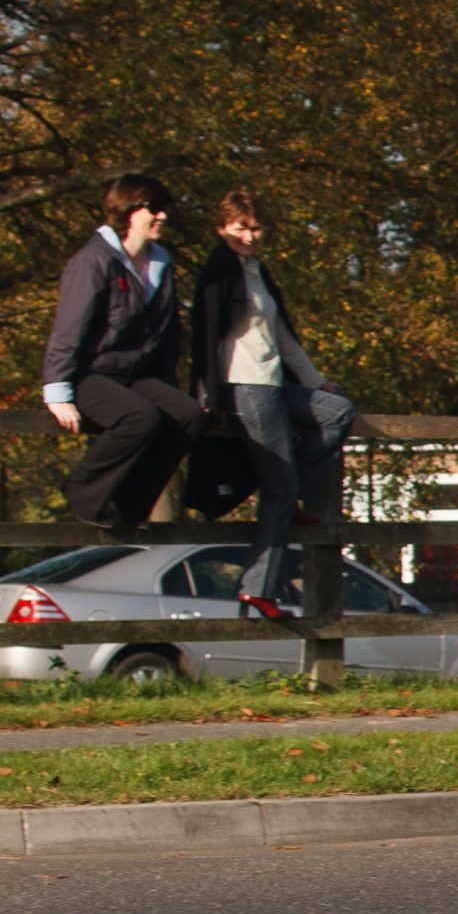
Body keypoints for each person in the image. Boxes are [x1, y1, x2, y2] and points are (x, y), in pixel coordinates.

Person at [187, 190, 357, 618]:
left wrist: (318, 383)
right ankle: (258, 588)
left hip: (274, 382)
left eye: (255, 228)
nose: (249, 236)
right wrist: (207, 395)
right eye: (239, 228)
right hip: (245, 385)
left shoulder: (257, 271)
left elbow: (283, 338)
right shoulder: (218, 272)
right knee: (279, 484)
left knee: (337, 412)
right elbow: (206, 334)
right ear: (221, 228)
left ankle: (293, 495)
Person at [42, 174, 204, 528]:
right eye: (154, 208)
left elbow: (168, 334)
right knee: (139, 417)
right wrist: (56, 389)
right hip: (90, 374)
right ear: (129, 210)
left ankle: (129, 507)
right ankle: (82, 491)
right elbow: (69, 327)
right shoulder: (94, 261)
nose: (163, 216)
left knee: (188, 415)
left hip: (135, 375)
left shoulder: (160, 264)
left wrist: (169, 389)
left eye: (165, 209)